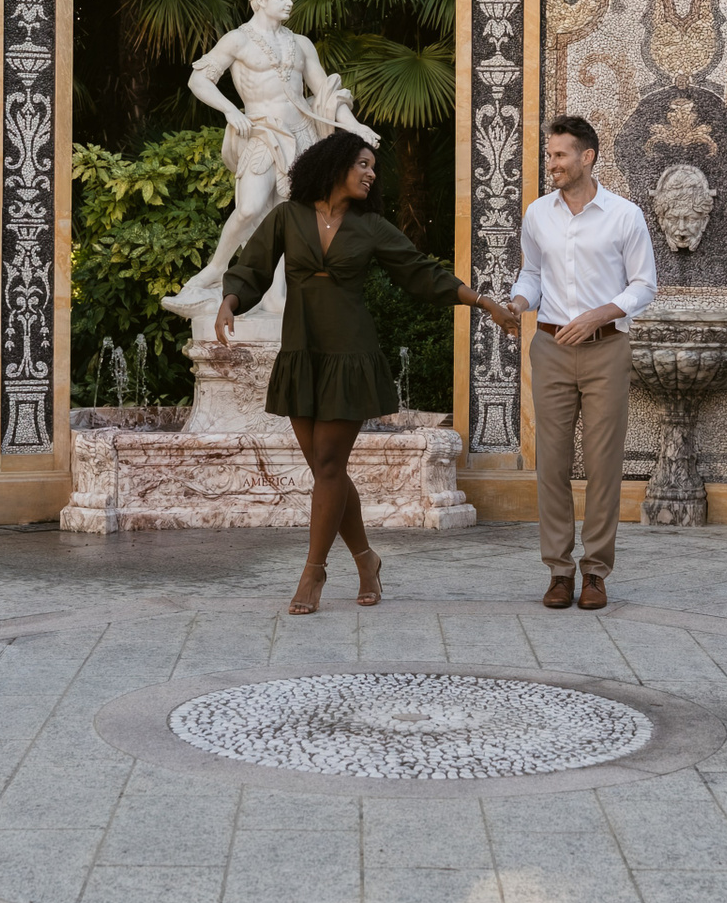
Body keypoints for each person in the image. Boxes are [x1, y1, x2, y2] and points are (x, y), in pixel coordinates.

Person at [216, 130, 520, 614]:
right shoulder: (288, 217)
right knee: (327, 471)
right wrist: (230, 301)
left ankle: (313, 572)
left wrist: (484, 303)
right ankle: (366, 559)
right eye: (363, 163)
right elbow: (252, 266)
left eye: (373, 167)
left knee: (329, 465)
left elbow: (422, 272)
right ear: (335, 165)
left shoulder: (371, 226)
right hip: (301, 354)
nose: (371, 173)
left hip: (350, 356)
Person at [165, 0, 380, 317]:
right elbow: (198, 80)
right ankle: (215, 271)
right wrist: (230, 110)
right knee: (249, 208)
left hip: (303, 138)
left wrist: (355, 126)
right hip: (263, 135)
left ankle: (276, 295)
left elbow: (325, 95)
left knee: (290, 218)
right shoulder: (237, 40)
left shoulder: (301, 44)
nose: (289, 2)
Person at [506, 115, 658, 610]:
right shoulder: (537, 214)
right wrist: (518, 303)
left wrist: (599, 314)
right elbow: (532, 274)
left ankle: (595, 572)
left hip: (606, 350)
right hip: (550, 348)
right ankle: (558, 571)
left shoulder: (624, 215)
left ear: (586, 157)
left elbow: (644, 285)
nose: (551, 163)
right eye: (549, 155)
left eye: (559, 155)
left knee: (602, 465)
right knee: (551, 463)